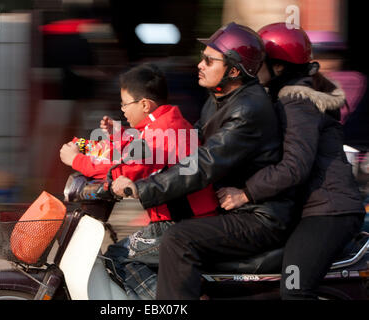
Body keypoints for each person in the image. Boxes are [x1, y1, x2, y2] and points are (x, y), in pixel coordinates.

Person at [112, 22, 297, 300]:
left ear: (233, 70)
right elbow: (185, 142)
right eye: (202, 56)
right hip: (230, 210)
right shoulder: (220, 98)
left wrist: (144, 188)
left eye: (209, 60)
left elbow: (204, 163)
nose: (200, 64)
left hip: (257, 218)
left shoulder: (248, 108)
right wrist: (128, 155)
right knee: (125, 250)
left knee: (177, 238)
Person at [216, 22, 365, 300]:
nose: (251, 68)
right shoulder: (279, 99)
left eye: (258, 62)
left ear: (279, 67)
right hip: (311, 209)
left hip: (328, 212)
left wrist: (245, 193)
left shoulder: (296, 102)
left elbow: (294, 166)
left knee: (295, 289)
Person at [59, 63, 219, 299]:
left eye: (125, 104)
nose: (122, 110)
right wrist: (119, 133)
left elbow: (122, 168)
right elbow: (139, 147)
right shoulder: (168, 122)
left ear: (144, 104)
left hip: (179, 225)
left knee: (116, 258)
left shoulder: (161, 133)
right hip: (183, 220)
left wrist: (76, 160)